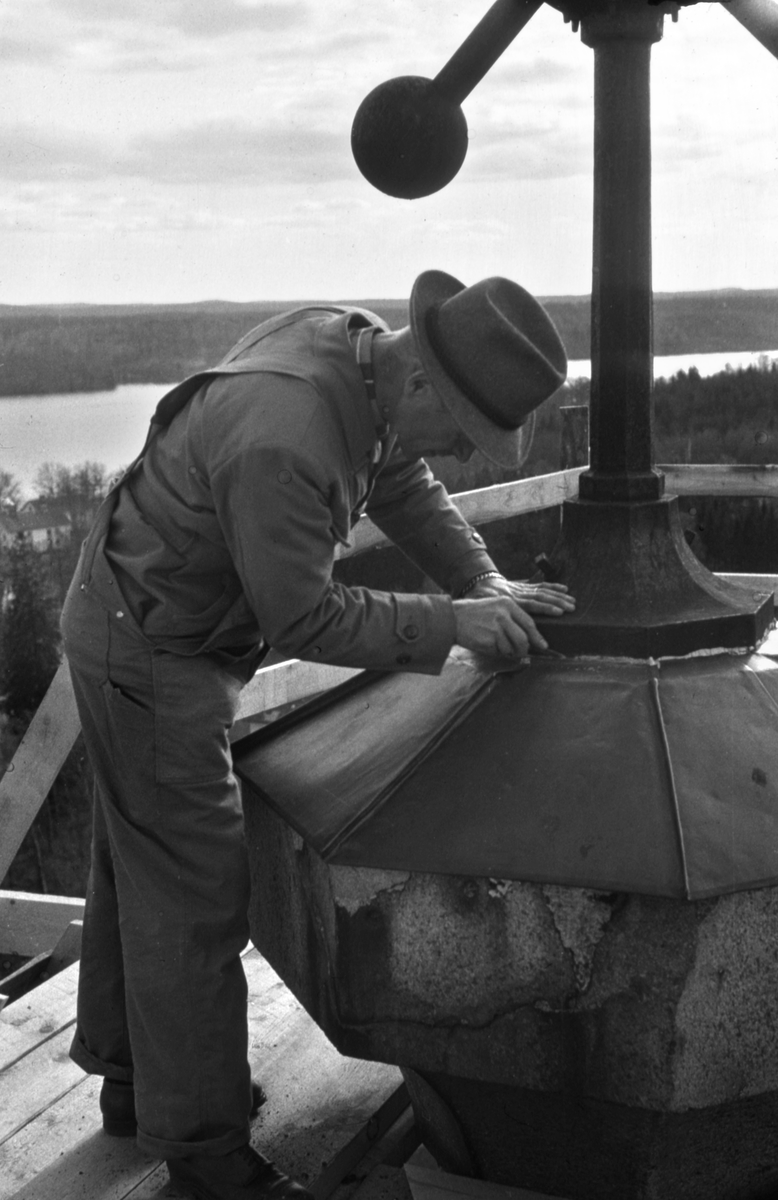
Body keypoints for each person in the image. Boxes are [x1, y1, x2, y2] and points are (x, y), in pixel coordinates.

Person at [60, 269, 575, 1200]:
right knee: (196, 890)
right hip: (152, 650)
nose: (461, 456)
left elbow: (402, 481)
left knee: (135, 857)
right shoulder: (287, 434)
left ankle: (139, 1085)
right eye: (464, 433)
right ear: (421, 383)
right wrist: (454, 627)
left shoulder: (363, 355)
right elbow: (304, 620)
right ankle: (208, 1157)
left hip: (141, 621)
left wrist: (483, 583)